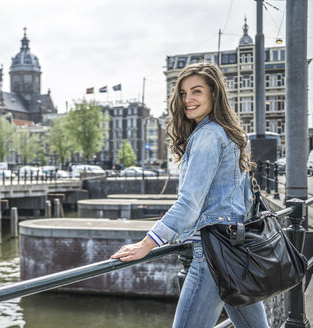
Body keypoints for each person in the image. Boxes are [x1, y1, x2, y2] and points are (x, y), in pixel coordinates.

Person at [111, 62, 268, 328]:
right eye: (183, 93)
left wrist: (146, 245)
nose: (188, 100)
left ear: (213, 94)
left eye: (196, 91)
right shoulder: (230, 134)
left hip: (212, 252)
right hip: (237, 248)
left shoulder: (207, 135)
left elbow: (189, 204)